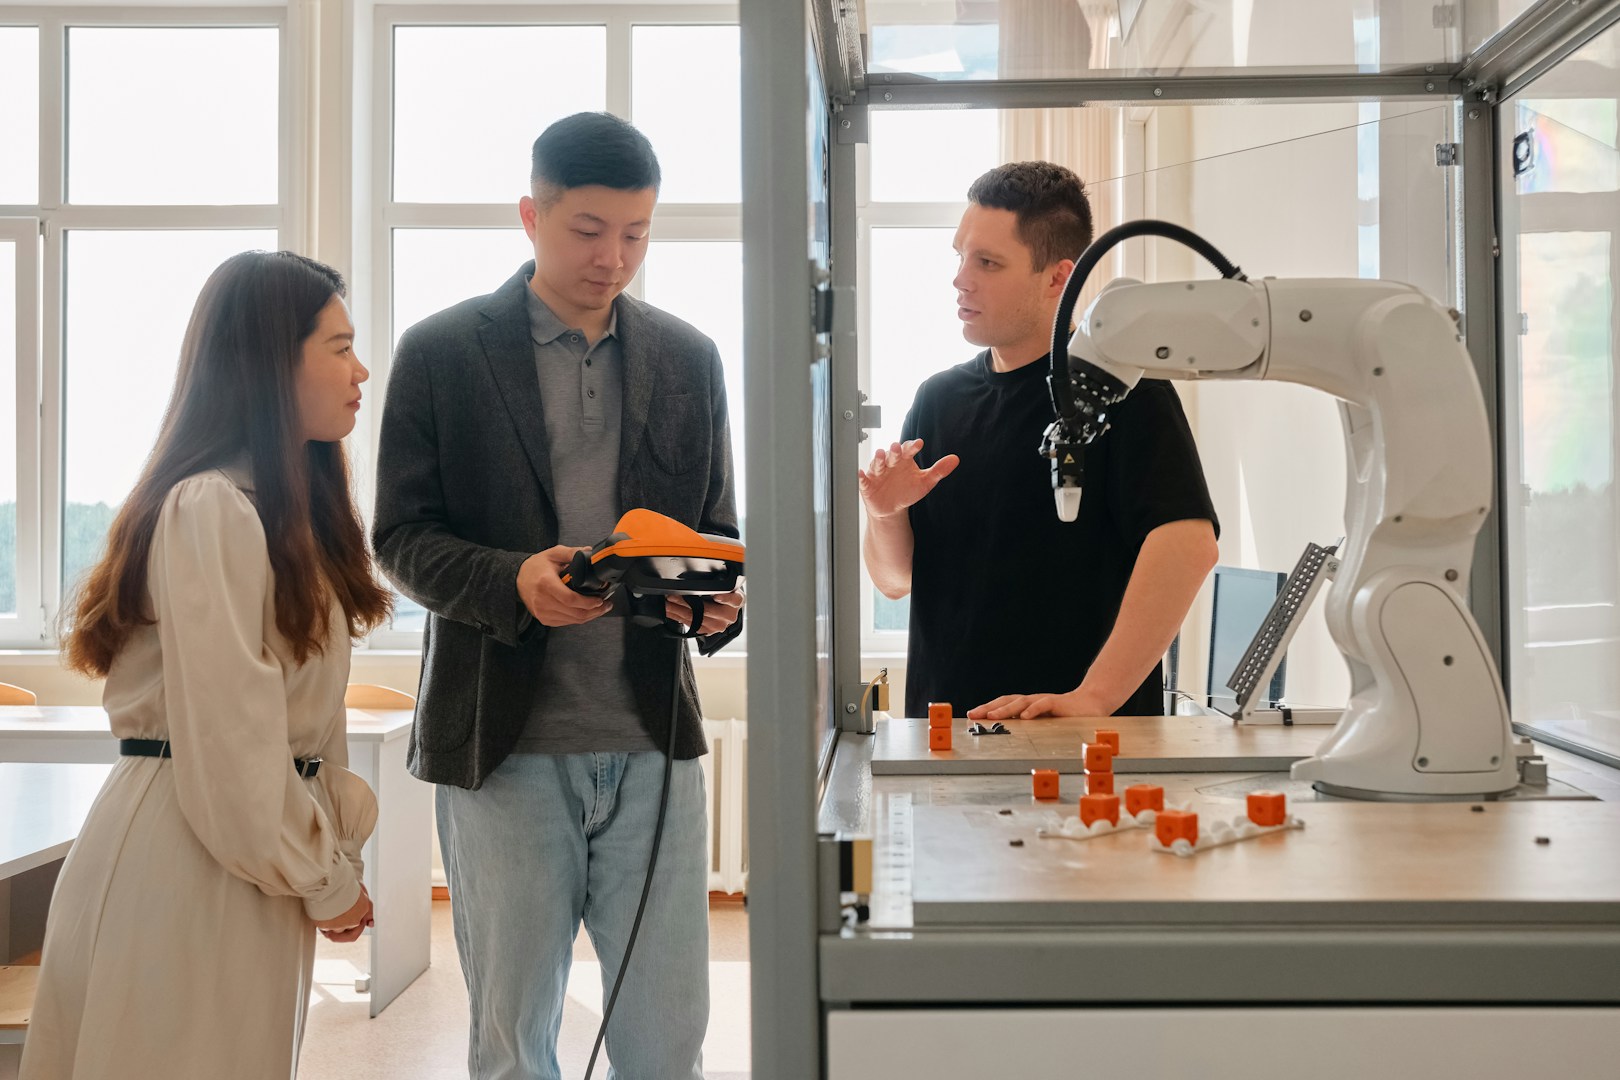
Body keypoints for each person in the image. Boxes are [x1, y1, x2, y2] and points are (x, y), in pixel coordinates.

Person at [372, 111, 742, 1080]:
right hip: (503, 749)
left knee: (667, 1042)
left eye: (637, 233)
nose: (613, 258)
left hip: (654, 744)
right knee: (512, 1043)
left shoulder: (691, 358)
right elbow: (400, 538)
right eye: (588, 231)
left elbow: (714, 529)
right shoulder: (441, 352)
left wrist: (715, 603)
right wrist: (514, 580)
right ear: (530, 216)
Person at [23, 250, 390, 1080]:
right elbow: (233, 742)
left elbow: (303, 728)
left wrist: (331, 868)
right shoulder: (211, 506)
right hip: (191, 855)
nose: (360, 370)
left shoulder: (280, 512)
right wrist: (325, 880)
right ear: (270, 363)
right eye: (339, 347)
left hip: (238, 854)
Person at [860, 161, 1219, 722]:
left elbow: (1189, 545)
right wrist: (885, 515)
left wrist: (1092, 699)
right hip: (945, 738)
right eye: (960, 256)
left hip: (1073, 738)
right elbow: (895, 581)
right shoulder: (938, 399)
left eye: (987, 263)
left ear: (1058, 278)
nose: (960, 279)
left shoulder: (1124, 389)